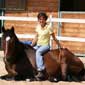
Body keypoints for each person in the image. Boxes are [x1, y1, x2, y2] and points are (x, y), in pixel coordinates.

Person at [31, 12, 61, 79]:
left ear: (45, 20)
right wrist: (31, 45)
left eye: (43, 19)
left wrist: (59, 45)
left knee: (38, 52)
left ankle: (41, 70)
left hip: (45, 46)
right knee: (30, 51)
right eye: (40, 19)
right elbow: (36, 37)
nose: (41, 20)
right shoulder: (38, 27)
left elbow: (54, 37)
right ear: (38, 20)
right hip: (38, 45)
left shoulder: (49, 27)